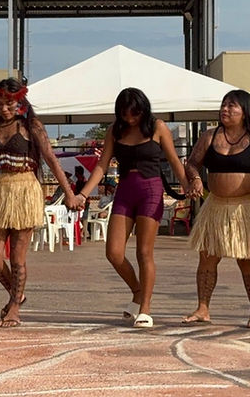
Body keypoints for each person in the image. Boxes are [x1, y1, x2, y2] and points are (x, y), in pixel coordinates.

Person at [0, 78, 79, 327]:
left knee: (17, 257)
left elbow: (51, 159)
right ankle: (17, 295)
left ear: (21, 103)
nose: (4, 109)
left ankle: (15, 307)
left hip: (25, 190)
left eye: (9, 104)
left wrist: (70, 194)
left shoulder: (31, 126)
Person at [75, 88, 190, 328]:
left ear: (143, 109)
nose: (130, 119)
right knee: (113, 253)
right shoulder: (114, 130)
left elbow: (174, 161)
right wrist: (83, 193)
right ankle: (138, 292)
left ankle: (145, 308)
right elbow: (102, 165)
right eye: (125, 114)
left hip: (151, 190)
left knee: (144, 252)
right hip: (125, 191)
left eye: (134, 114)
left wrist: (187, 187)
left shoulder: (157, 127)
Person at [182, 90, 250, 329]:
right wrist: (195, 178)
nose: (225, 109)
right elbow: (192, 163)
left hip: (248, 208)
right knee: (207, 257)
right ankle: (203, 308)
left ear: (245, 111)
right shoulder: (209, 136)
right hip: (216, 205)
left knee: (249, 261)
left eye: (232, 106)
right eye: (223, 105)